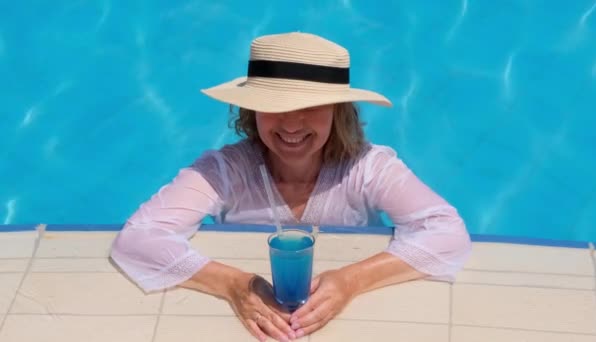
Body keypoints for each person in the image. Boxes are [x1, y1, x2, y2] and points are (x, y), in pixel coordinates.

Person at [110, 32, 472, 342]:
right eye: (274, 106)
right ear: (252, 111)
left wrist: (351, 281)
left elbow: (447, 231)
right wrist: (236, 285)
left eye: (311, 106)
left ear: (338, 110)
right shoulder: (225, 170)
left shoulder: (368, 167)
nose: (291, 124)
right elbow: (139, 237)